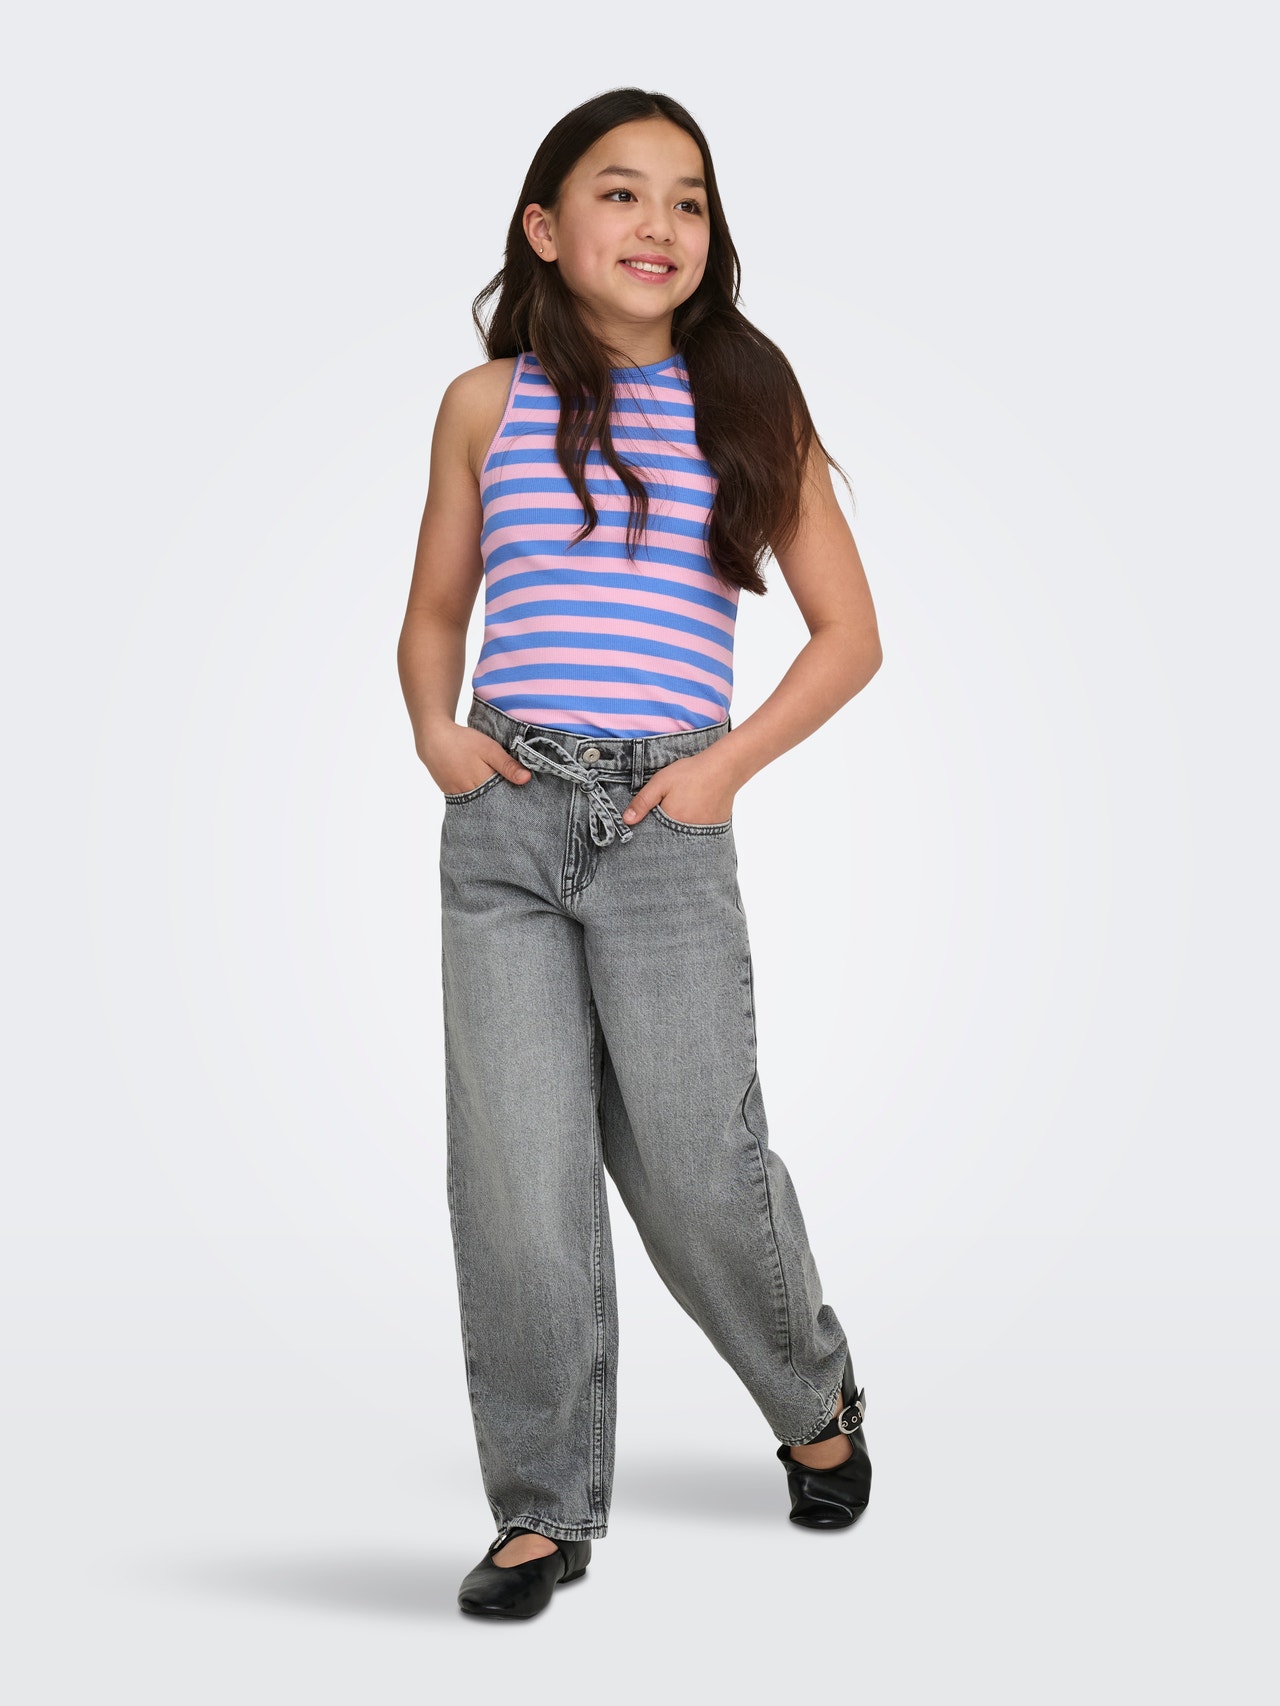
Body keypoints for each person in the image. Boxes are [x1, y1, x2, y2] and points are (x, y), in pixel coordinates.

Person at [397, 87, 883, 1621]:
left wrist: (721, 771)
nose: (659, 222)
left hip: (666, 820)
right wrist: (435, 730)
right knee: (518, 1179)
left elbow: (849, 635)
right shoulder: (484, 405)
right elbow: (436, 609)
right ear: (546, 229)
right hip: (505, 820)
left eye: (688, 197)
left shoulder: (748, 402)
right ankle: (540, 1509)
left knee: (695, 1165)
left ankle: (813, 1395)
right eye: (620, 192)